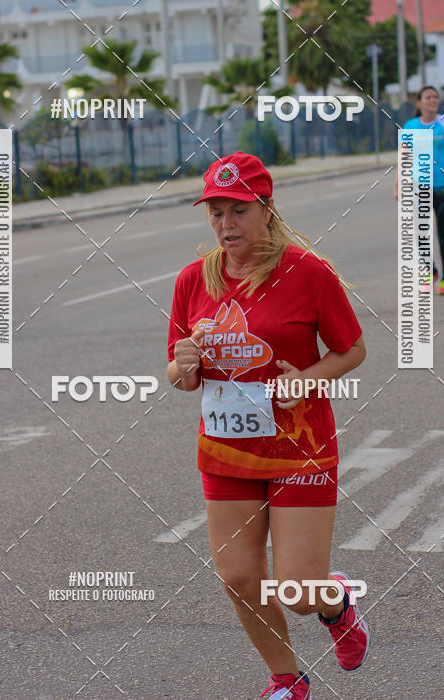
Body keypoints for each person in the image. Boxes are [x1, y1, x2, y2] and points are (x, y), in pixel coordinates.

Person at [166, 152, 369, 699]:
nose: (226, 225)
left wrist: (308, 379)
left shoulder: (309, 272)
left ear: (267, 209)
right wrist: (183, 365)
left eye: (238, 211)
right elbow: (179, 376)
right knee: (238, 577)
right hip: (226, 451)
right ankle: (287, 680)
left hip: (300, 448)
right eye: (216, 213)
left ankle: (336, 602)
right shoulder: (193, 280)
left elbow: (352, 349)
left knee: (298, 590)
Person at [394, 85, 444, 295]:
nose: (433, 100)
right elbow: (403, 158)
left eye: (435, 97)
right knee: (420, 234)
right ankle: (430, 271)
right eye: (428, 97)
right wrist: (398, 185)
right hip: (419, 188)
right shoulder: (410, 126)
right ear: (419, 103)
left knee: (443, 233)